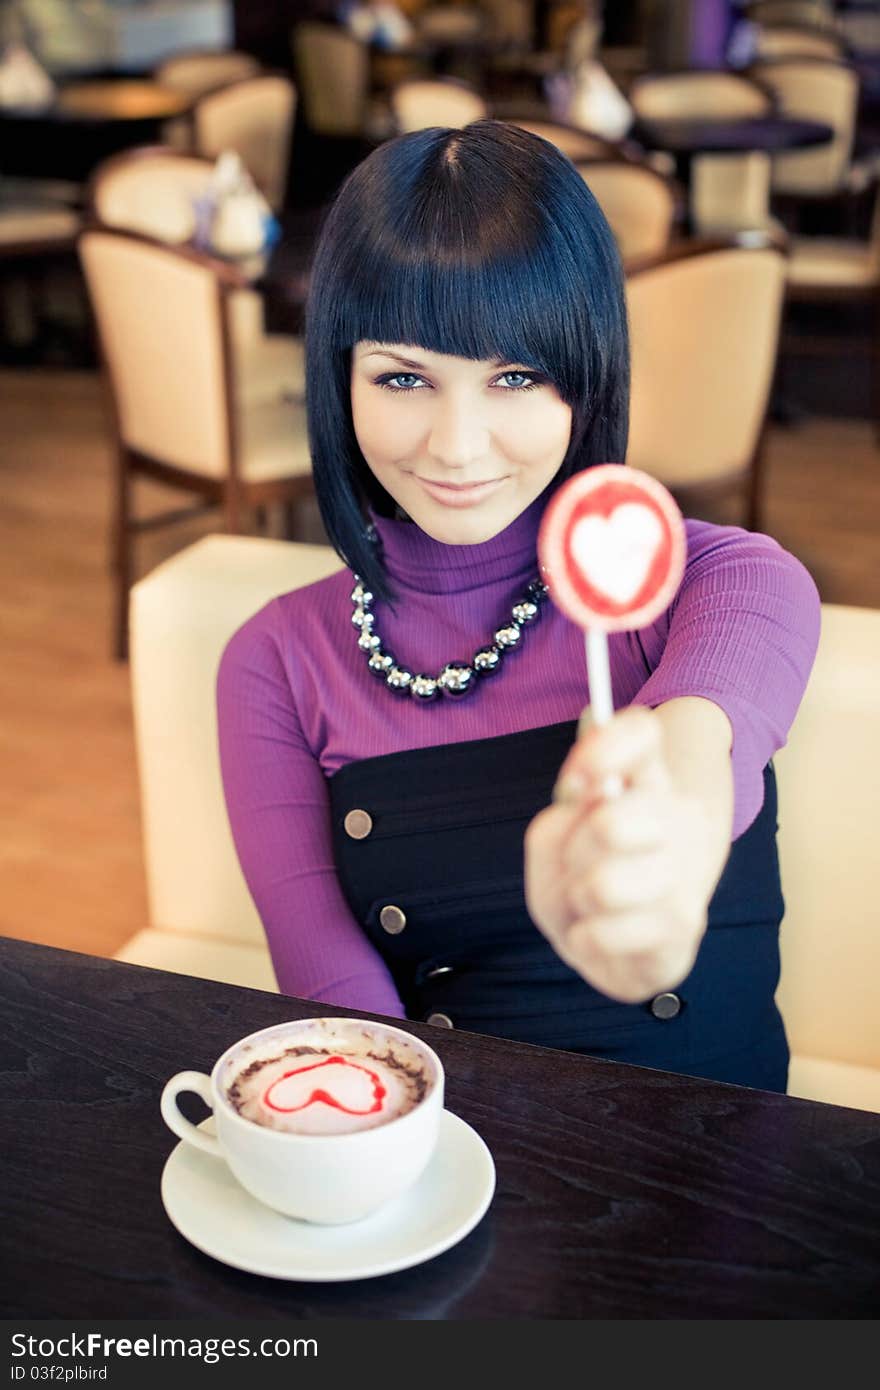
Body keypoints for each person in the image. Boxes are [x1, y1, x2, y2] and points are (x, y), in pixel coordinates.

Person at [217, 121, 820, 1092]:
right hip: (443, 1153)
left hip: (714, 1175)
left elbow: (695, 756)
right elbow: (336, 994)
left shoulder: (728, 583)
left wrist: (660, 875)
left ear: (588, 374)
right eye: (404, 376)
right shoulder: (275, 659)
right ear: (338, 377)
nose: (458, 446)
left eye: (514, 377)